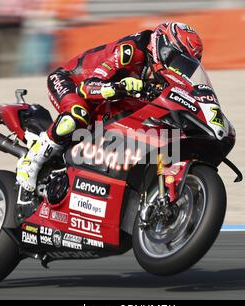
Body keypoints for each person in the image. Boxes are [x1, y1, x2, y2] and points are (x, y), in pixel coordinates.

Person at [16, 22, 204, 198]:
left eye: (186, 66)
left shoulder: (160, 76)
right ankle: (31, 161)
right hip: (70, 81)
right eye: (177, 61)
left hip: (105, 100)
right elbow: (87, 87)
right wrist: (120, 86)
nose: (179, 69)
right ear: (162, 48)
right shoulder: (130, 51)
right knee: (76, 115)